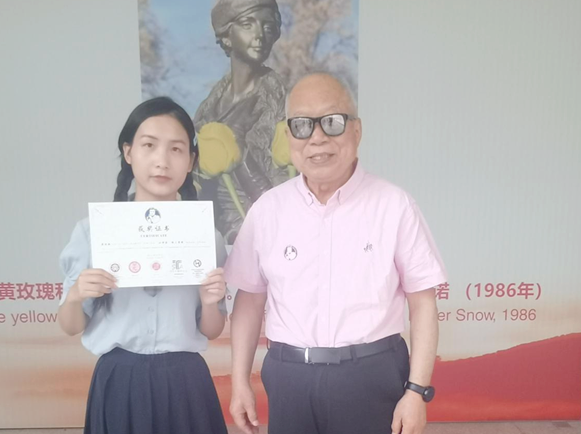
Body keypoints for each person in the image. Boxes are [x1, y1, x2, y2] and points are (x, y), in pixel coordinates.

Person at [226, 73, 446, 434]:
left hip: (372, 375)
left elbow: (423, 302)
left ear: (356, 130)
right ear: (287, 137)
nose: (317, 138)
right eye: (302, 125)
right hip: (289, 378)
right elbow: (249, 301)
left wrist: (417, 391)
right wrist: (239, 383)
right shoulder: (267, 210)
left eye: (332, 122)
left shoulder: (394, 205)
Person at [57, 97, 229, 434]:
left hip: (186, 382)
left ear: (191, 161)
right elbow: (69, 326)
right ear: (128, 152)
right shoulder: (93, 233)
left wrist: (210, 302)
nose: (162, 161)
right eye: (149, 145)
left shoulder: (207, 238)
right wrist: (76, 295)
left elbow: (211, 330)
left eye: (176, 149)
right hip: (119, 381)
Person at [194, 0, 287, 243]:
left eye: (268, 27)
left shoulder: (280, 98)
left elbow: (284, 200)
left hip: (266, 238)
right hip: (217, 239)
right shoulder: (207, 108)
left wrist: (239, 151)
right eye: (248, 24)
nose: (260, 35)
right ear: (226, 36)